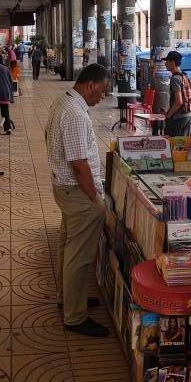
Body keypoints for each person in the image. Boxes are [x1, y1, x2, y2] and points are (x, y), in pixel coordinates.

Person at [45, 63, 111, 337]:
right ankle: (75, 316)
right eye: (103, 91)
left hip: (66, 189)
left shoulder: (64, 101)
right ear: (91, 85)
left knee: (67, 246)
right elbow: (79, 165)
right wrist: (95, 199)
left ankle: (69, 298)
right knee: (79, 255)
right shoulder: (74, 114)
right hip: (78, 192)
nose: (103, 97)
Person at [163, 50, 191, 136]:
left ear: (172, 62)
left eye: (167, 61)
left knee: (173, 145)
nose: (165, 64)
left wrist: (168, 115)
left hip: (178, 118)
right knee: (183, 147)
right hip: (188, 115)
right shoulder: (184, 76)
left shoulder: (175, 79)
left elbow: (179, 102)